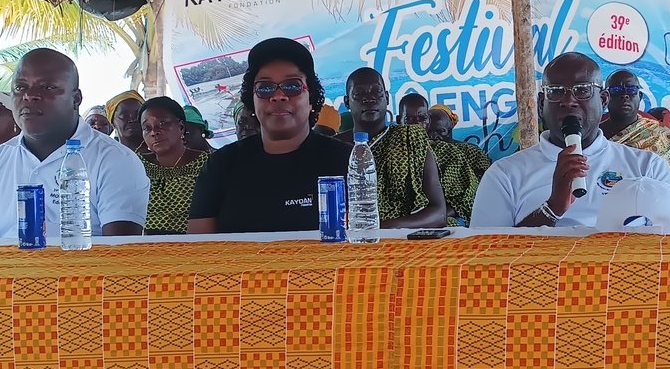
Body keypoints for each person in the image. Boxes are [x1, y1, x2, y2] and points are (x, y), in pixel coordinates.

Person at [470, 52, 670, 229]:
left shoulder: (648, 168)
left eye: (583, 90)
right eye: (555, 92)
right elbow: (487, 259)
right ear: (541, 103)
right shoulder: (504, 176)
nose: (568, 101)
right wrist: (552, 208)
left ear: (602, 100)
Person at [0, 49, 149, 239]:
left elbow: (119, 258)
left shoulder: (116, 161)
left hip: (84, 274)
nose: (30, 96)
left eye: (47, 87)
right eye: (20, 88)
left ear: (76, 99)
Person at [187, 38, 352, 233]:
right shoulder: (221, 165)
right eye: (265, 88)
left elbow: (367, 238)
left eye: (292, 85)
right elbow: (199, 248)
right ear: (252, 102)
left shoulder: (345, 160)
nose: (278, 95)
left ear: (311, 101)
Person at [600, 69, 670, 225]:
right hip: (603, 212)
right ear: (605, 97)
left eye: (632, 90)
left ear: (639, 96)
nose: (625, 95)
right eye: (617, 90)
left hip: (659, 214)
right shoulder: (594, 135)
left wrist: (668, 185)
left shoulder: (661, 136)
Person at [336, 69, 447, 228]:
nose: (370, 99)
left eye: (377, 92)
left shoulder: (411, 139)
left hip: (403, 240)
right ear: (347, 102)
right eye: (359, 94)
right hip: (346, 242)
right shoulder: (333, 147)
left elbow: (439, 213)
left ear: (387, 98)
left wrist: (376, 229)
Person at [398, 93, 489, 225]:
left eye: (441, 131)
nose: (434, 136)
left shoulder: (462, 153)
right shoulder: (408, 152)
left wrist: (439, 215)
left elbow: (476, 189)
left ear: (450, 129)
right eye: (430, 132)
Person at [138, 97, 208, 234]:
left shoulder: (208, 163)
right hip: (144, 247)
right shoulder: (136, 165)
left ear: (181, 127)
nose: (154, 132)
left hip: (194, 247)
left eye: (162, 123)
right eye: (147, 128)